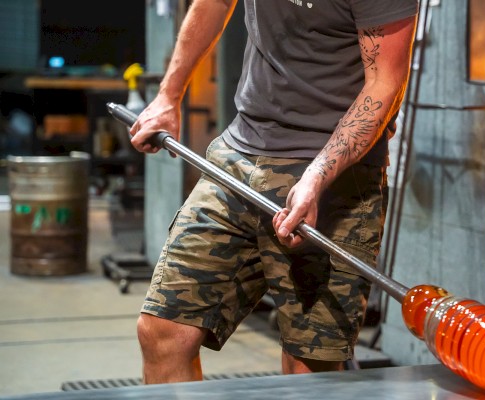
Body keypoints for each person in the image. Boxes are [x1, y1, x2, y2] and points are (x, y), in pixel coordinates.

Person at [130, 0, 418, 383]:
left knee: (308, 367)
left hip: (335, 177)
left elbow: (386, 81)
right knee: (163, 331)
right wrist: (169, 95)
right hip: (240, 154)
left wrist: (316, 176)